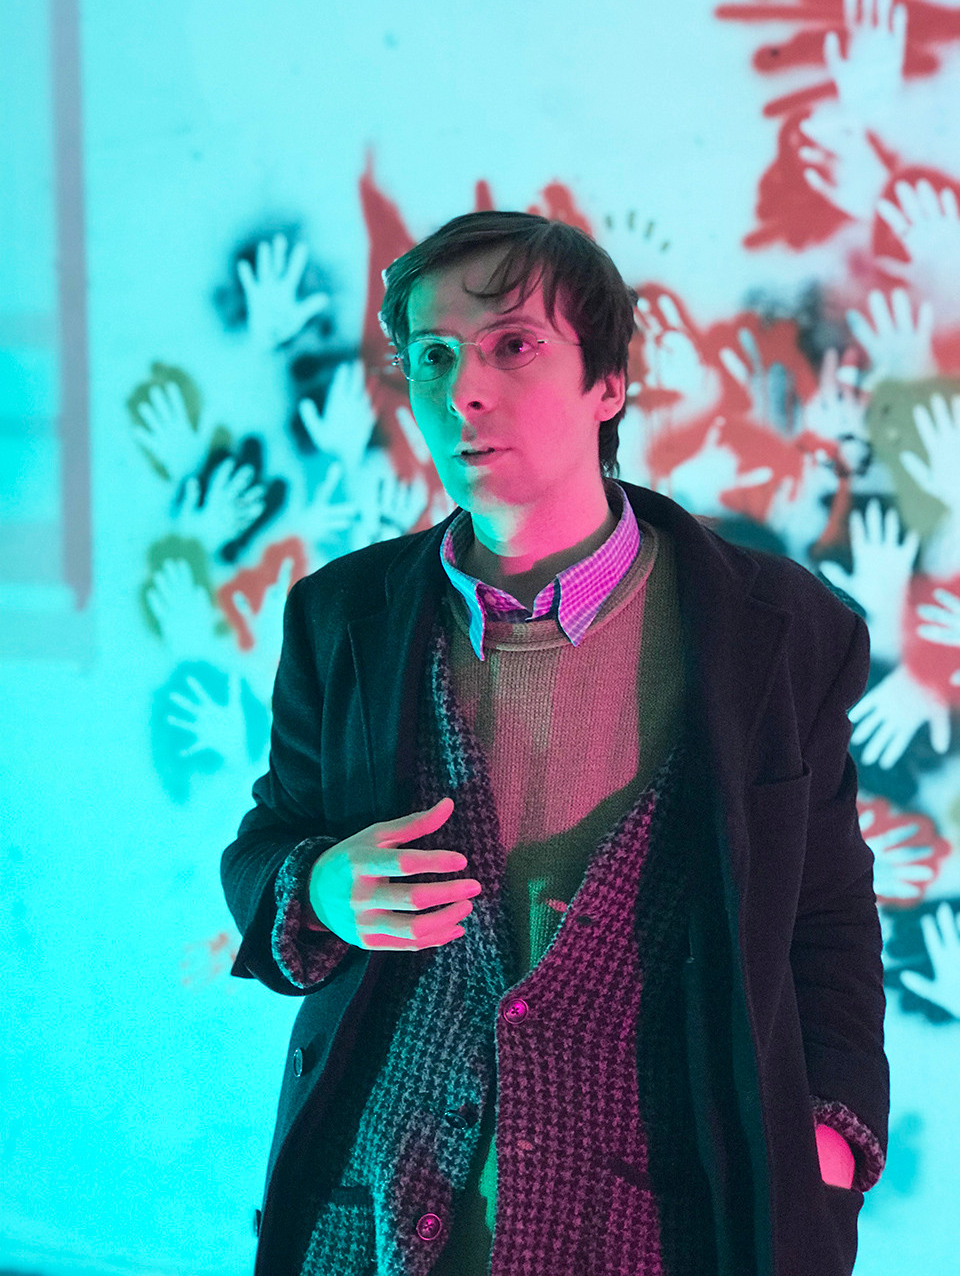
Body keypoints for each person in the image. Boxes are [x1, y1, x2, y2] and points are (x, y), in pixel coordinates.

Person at [220, 210, 888, 1276]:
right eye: (433, 356)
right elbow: (268, 841)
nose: (463, 391)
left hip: (664, 1227)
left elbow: (829, 917)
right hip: (380, 1213)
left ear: (607, 383)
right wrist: (317, 890)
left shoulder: (777, 631)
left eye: (513, 345)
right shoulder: (342, 618)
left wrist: (831, 1142)